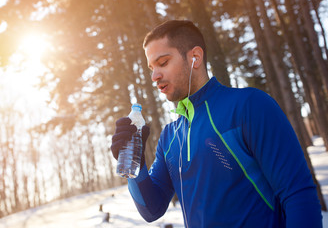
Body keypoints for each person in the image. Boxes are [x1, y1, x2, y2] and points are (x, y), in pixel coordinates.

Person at [110, 20, 322, 227]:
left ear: (195, 57)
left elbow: (298, 195)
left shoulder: (248, 106)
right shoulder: (169, 137)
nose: (155, 76)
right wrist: (135, 165)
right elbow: (151, 209)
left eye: (163, 62)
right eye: (151, 68)